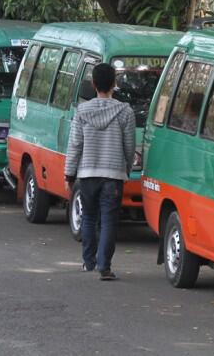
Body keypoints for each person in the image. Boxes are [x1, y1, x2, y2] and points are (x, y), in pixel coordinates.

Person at [64, 63, 136, 281]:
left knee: (88, 217)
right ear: (114, 84)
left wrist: (69, 174)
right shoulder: (125, 112)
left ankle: (88, 262)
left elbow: (75, 145)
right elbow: (130, 145)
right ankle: (104, 266)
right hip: (113, 175)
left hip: (87, 174)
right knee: (108, 220)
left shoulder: (81, 112)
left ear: (94, 84)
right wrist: (128, 167)